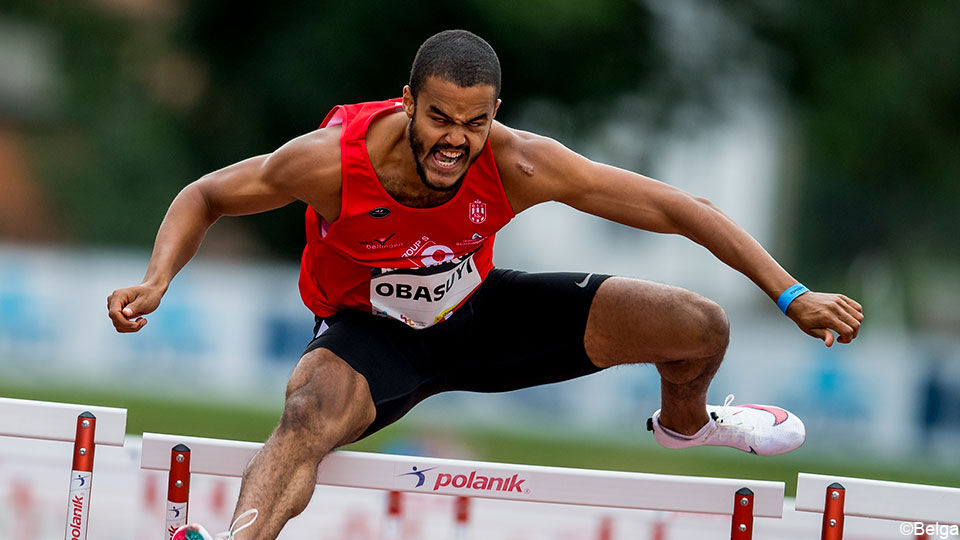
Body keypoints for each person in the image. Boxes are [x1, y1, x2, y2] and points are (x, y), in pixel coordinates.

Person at [107, 29, 863, 539]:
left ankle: (686, 423)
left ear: (495, 114)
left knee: (699, 326)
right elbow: (206, 194)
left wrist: (791, 293)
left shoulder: (519, 162)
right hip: (373, 336)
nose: (454, 142)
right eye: (439, 119)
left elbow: (681, 208)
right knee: (308, 415)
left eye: (473, 123)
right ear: (408, 103)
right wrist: (156, 279)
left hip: (481, 316)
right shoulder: (330, 162)